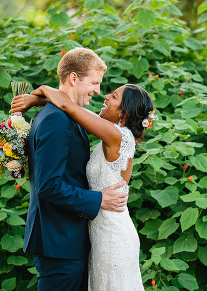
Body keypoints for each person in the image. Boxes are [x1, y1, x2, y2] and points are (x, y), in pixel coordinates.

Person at [20, 48, 129, 291]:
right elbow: (49, 186)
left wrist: (39, 96)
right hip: (59, 241)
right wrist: (99, 199)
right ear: (73, 78)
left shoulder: (68, 115)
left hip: (67, 239)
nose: (98, 91)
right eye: (94, 82)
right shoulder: (56, 120)